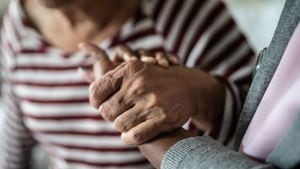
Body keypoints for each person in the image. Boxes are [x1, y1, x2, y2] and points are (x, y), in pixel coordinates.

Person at [0, 0, 255, 168]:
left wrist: (193, 92)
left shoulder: (185, 13)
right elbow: (13, 145)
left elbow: (261, 136)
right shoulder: (17, 23)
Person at [86, 0, 300, 168]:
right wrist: (189, 89)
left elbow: (243, 130)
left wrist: (138, 117)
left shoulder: (184, 15)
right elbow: (259, 122)